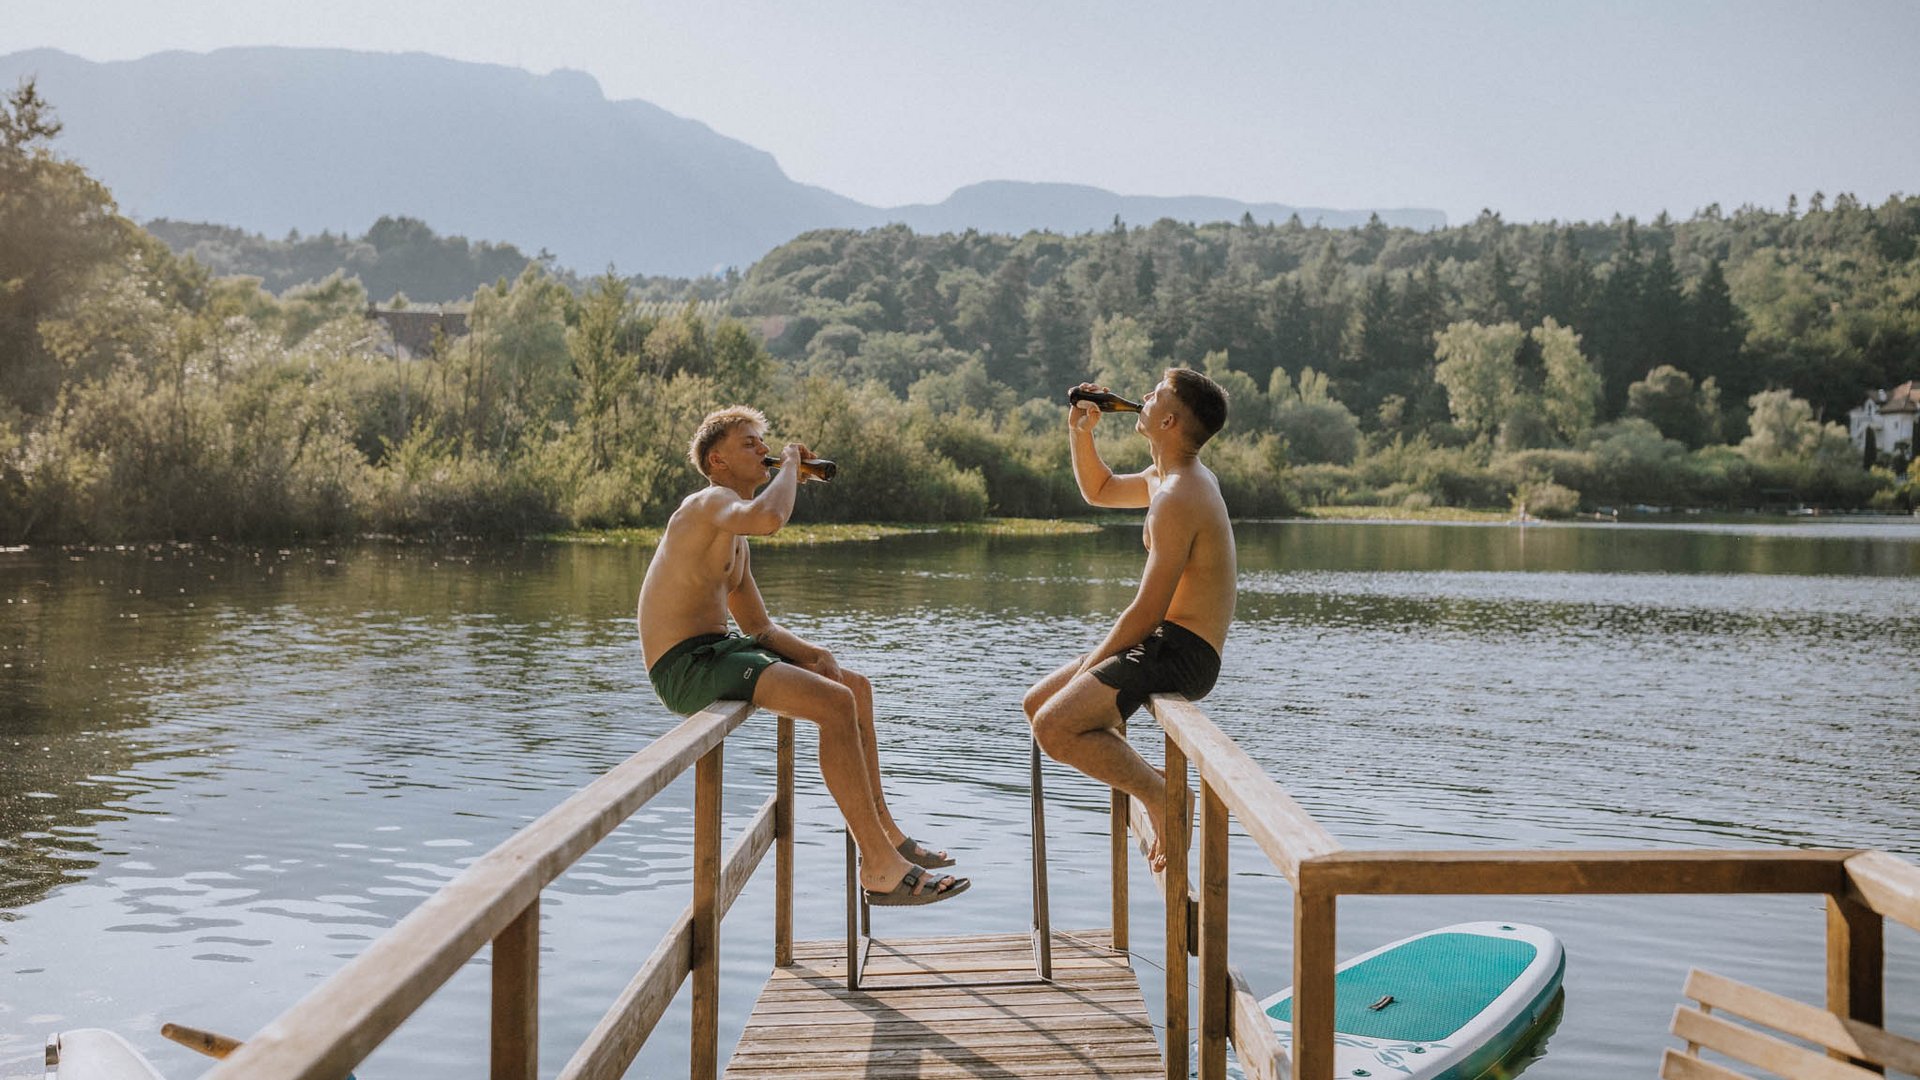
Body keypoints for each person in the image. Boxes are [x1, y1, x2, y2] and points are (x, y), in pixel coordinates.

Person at [637, 406, 968, 906]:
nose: (762, 449)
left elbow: (759, 628)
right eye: (748, 443)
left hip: (720, 650)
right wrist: (791, 464)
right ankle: (878, 867)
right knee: (834, 704)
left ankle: (889, 836)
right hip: (686, 666)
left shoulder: (733, 537)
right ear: (717, 460)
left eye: (762, 442)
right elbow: (770, 518)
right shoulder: (708, 503)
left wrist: (816, 654)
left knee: (853, 687)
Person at [1024, 369, 1236, 872]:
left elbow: (1146, 611)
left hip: (1183, 651)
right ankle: (1155, 785)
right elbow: (1099, 489)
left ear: (1168, 421)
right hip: (1163, 642)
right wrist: (1081, 432)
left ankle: (1163, 795)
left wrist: (1089, 668)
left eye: (1156, 394)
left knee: (1054, 726)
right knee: (1036, 703)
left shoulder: (1180, 494)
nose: (1144, 396)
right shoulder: (1164, 478)